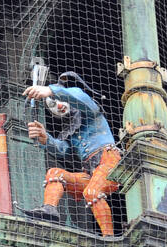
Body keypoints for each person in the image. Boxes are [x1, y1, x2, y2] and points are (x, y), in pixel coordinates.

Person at [24, 73, 121, 236]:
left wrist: (50, 90)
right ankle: (50, 209)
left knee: (92, 192)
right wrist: (45, 138)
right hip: (91, 172)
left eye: (58, 100)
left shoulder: (89, 111)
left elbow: (80, 97)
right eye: (52, 106)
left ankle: (108, 237)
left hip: (109, 161)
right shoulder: (70, 131)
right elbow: (63, 150)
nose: (58, 106)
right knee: (54, 173)